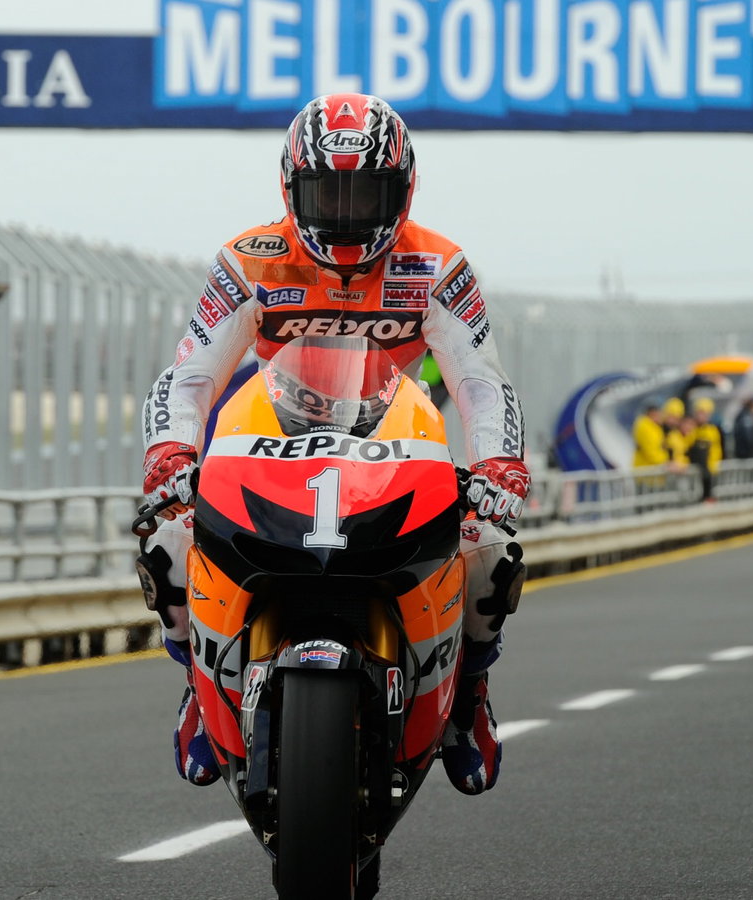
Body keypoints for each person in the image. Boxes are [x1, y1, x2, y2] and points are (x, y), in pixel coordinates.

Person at [137, 94, 529, 796]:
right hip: (265, 439)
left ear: (402, 189)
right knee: (167, 539)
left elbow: (481, 381)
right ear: (292, 189)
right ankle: (198, 686)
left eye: (364, 190)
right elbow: (189, 376)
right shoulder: (248, 259)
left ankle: (469, 694)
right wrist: (169, 458)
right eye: (328, 190)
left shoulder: (440, 265)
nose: (345, 211)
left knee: (492, 551)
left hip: (395, 440)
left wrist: (499, 469)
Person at [688, 397, 723, 502]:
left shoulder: (712, 430)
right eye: (699, 413)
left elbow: (716, 450)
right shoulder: (690, 427)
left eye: (704, 413)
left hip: (706, 471)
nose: (701, 416)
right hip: (692, 471)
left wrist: (712, 465)